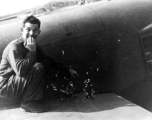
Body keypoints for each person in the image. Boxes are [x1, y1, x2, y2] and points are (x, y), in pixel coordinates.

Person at [0, 15, 79, 113]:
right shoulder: (15, 47)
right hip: (5, 87)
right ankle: (27, 103)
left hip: (16, 83)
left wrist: (67, 69)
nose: (31, 33)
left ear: (39, 32)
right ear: (22, 30)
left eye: (35, 30)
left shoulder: (33, 45)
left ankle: (40, 96)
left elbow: (47, 58)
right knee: (37, 67)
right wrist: (32, 52)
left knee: (44, 62)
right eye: (28, 29)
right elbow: (20, 71)